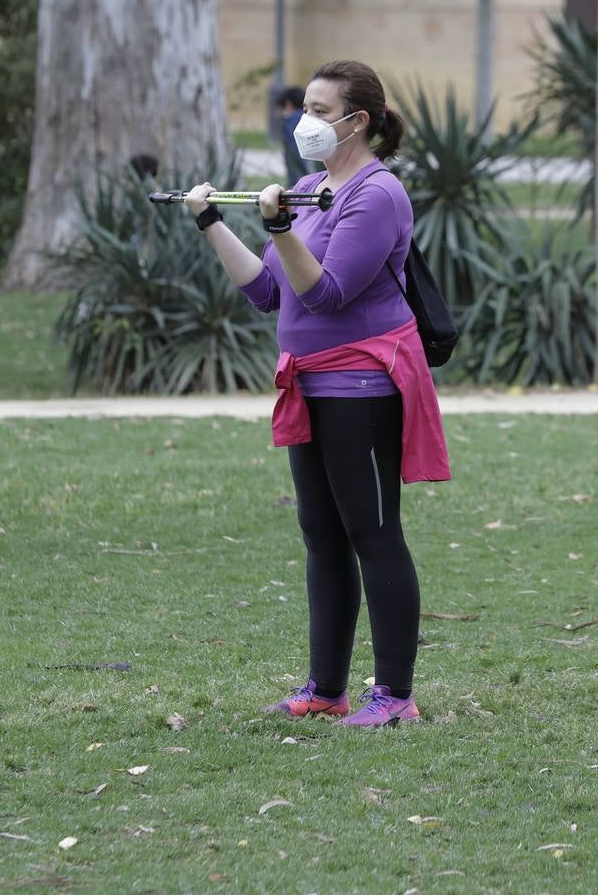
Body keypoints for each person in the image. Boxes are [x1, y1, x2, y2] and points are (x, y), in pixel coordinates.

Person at [183, 60, 450, 728]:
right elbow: (268, 292)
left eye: (320, 110)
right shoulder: (309, 186)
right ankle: (325, 689)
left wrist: (280, 229)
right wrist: (213, 223)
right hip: (306, 381)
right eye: (305, 106)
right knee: (322, 536)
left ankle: (394, 696)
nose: (307, 120)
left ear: (358, 122)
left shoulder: (376, 195)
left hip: (363, 386)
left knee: (374, 532)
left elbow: (327, 291)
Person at [276, 85, 309, 187]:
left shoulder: (291, 122)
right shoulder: (308, 119)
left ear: (288, 105)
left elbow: (296, 156)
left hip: (299, 183)